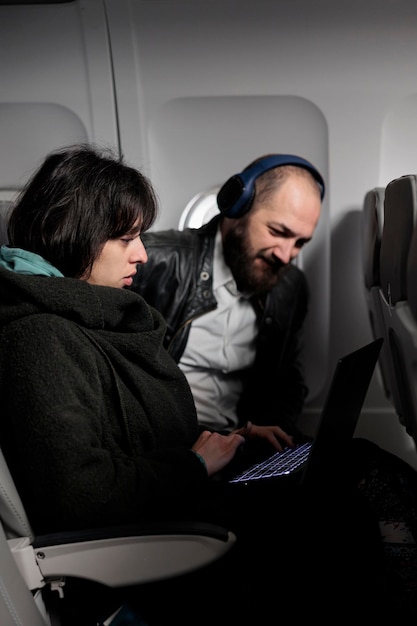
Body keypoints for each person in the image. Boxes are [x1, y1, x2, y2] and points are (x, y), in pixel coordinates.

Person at [0, 144, 408, 625]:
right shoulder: (39, 337)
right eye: (125, 237)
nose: (142, 254)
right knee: (335, 518)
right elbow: (81, 493)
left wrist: (228, 438)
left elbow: (134, 431)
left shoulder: (96, 316)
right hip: (152, 538)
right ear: (75, 235)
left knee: (353, 465)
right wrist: (195, 462)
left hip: (178, 490)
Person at [130, 154, 323, 437]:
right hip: (168, 445)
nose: (286, 255)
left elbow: (288, 382)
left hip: (242, 442)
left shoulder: (290, 287)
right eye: (277, 231)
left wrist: (273, 439)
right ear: (237, 208)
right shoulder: (154, 261)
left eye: (300, 243)